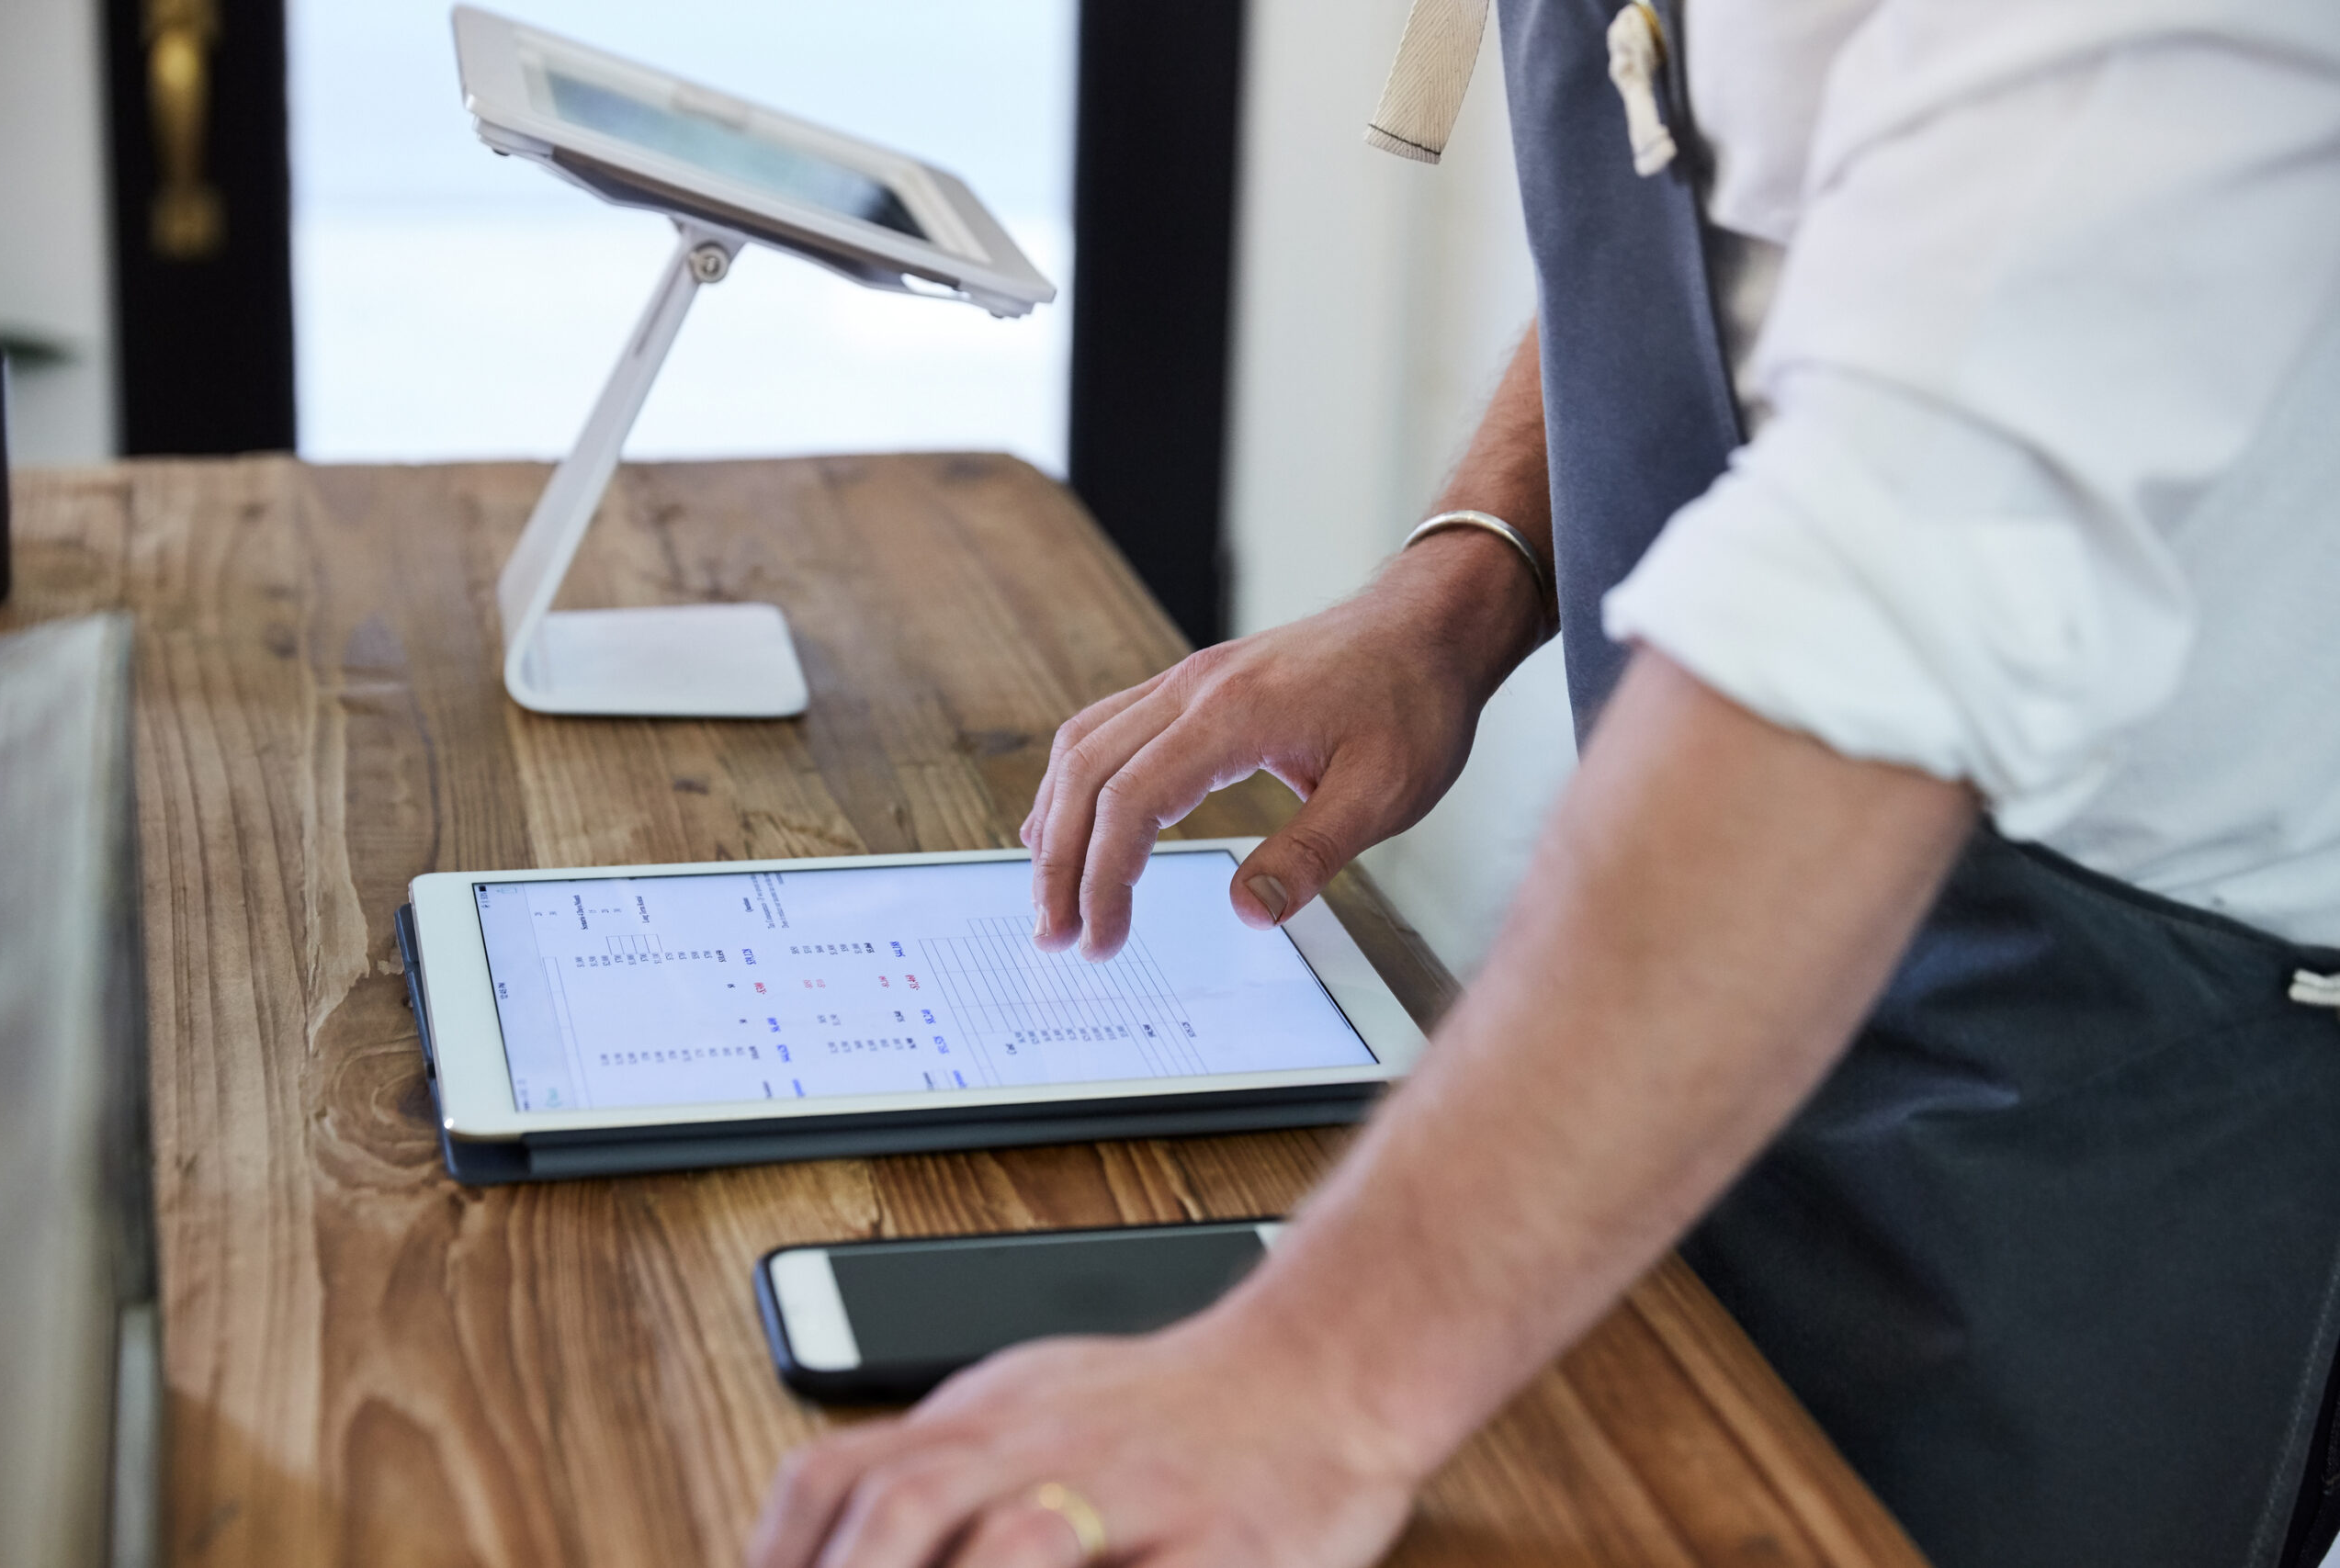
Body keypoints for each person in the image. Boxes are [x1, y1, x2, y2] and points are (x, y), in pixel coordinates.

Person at [747, 0, 2340, 1562]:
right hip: (1697, 941)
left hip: (2118, 1042)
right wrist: (1462, 588)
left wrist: (1321, 1376)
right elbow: (1752, 207)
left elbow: (1909, 578)